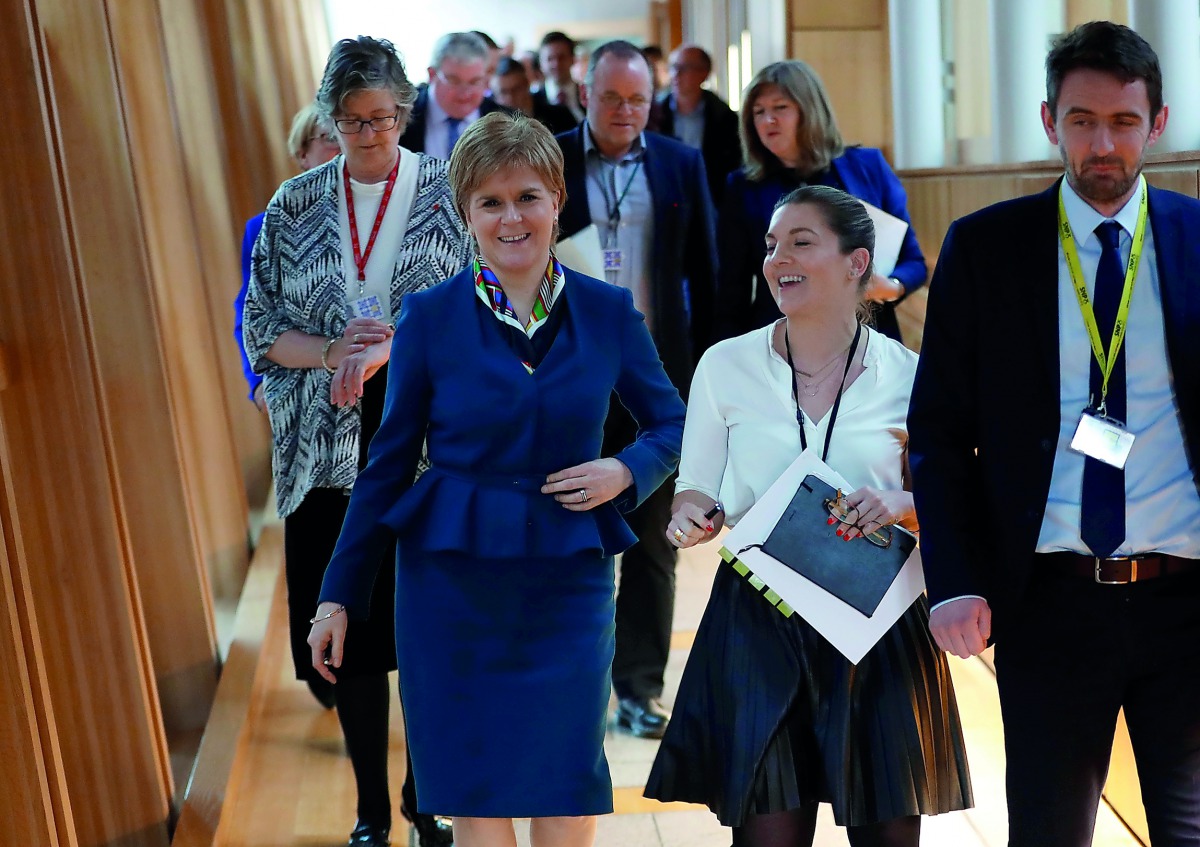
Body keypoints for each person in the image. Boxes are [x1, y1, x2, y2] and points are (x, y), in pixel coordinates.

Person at [307, 111, 686, 847]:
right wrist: (336, 594)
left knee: (568, 784)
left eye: (527, 197)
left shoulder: (608, 313)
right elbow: (384, 468)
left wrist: (623, 469)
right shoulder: (426, 318)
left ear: (557, 201)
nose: (512, 217)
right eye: (491, 201)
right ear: (466, 213)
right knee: (476, 793)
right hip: (449, 587)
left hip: (567, 583)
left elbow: (673, 425)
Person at [909, 21, 1200, 846]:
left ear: (1158, 122)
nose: (1101, 144)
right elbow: (937, 433)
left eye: (1122, 121)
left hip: (1187, 600)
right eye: (1080, 120)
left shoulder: (1196, 240)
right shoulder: (985, 248)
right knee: (1046, 831)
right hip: (1047, 602)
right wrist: (955, 578)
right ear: (1048, 121)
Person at [646, 185, 973, 846]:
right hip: (760, 619)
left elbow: (960, 493)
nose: (777, 259)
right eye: (772, 244)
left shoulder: (910, 374)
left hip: (877, 623)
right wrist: (692, 515)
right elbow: (696, 486)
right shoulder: (725, 364)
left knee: (887, 831)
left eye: (801, 241)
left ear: (857, 263)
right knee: (767, 831)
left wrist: (902, 503)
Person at [242, 36, 468, 847]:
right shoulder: (294, 204)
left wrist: (391, 346)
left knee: (433, 631)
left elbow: (483, 311)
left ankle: (425, 798)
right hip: (324, 443)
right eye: (352, 122)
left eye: (384, 119)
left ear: (407, 112)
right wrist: (335, 349)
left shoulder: (451, 193)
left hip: (435, 443)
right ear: (329, 118)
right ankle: (373, 808)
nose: (370, 136)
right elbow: (261, 329)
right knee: (353, 635)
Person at [556, 39, 717, 739]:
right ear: (583, 95)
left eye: (638, 99)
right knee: (570, 535)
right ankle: (569, 688)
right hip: (569, 382)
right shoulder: (551, 158)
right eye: (612, 97)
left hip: (656, 381)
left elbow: (709, 278)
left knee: (654, 543)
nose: (625, 111)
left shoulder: (680, 163)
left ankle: (639, 689)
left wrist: (709, 382)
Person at [715, 61, 925, 344]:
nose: (768, 120)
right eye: (758, 112)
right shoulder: (743, 187)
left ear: (810, 110)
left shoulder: (867, 167)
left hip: (865, 336)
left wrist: (891, 287)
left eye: (780, 108)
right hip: (783, 343)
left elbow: (913, 261)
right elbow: (732, 290)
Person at [234, 103, 340, 414]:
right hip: (304, 387)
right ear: (303, 154)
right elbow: (250, 312)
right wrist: (257, 383)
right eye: (329, 138)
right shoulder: (265, 227)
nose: (341, 146)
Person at [398, 31, 511, 160]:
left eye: (474, 82)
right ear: (432, 74)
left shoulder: (507, 124)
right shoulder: (398, 116)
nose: (465, 93)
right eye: (454, 81)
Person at [651, 44, 741, 204]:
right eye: (673, 67)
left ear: (704, 73)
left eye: (684, 68)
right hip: (664, 198)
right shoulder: (654, 115)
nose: (676, 74)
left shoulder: (725, 118)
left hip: (712, 200)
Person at [492, 56, 576, 135]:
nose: (510, 97)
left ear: (527, 84)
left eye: (516, 89)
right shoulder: (492, 125)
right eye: (503, 92)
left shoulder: (560, 116)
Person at [535, 31, 584, 124]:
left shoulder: (589, 96)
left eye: (561, 57)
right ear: (541, 63)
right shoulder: (533, 102)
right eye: (550, 58)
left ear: (573, 59)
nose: (556, 64)